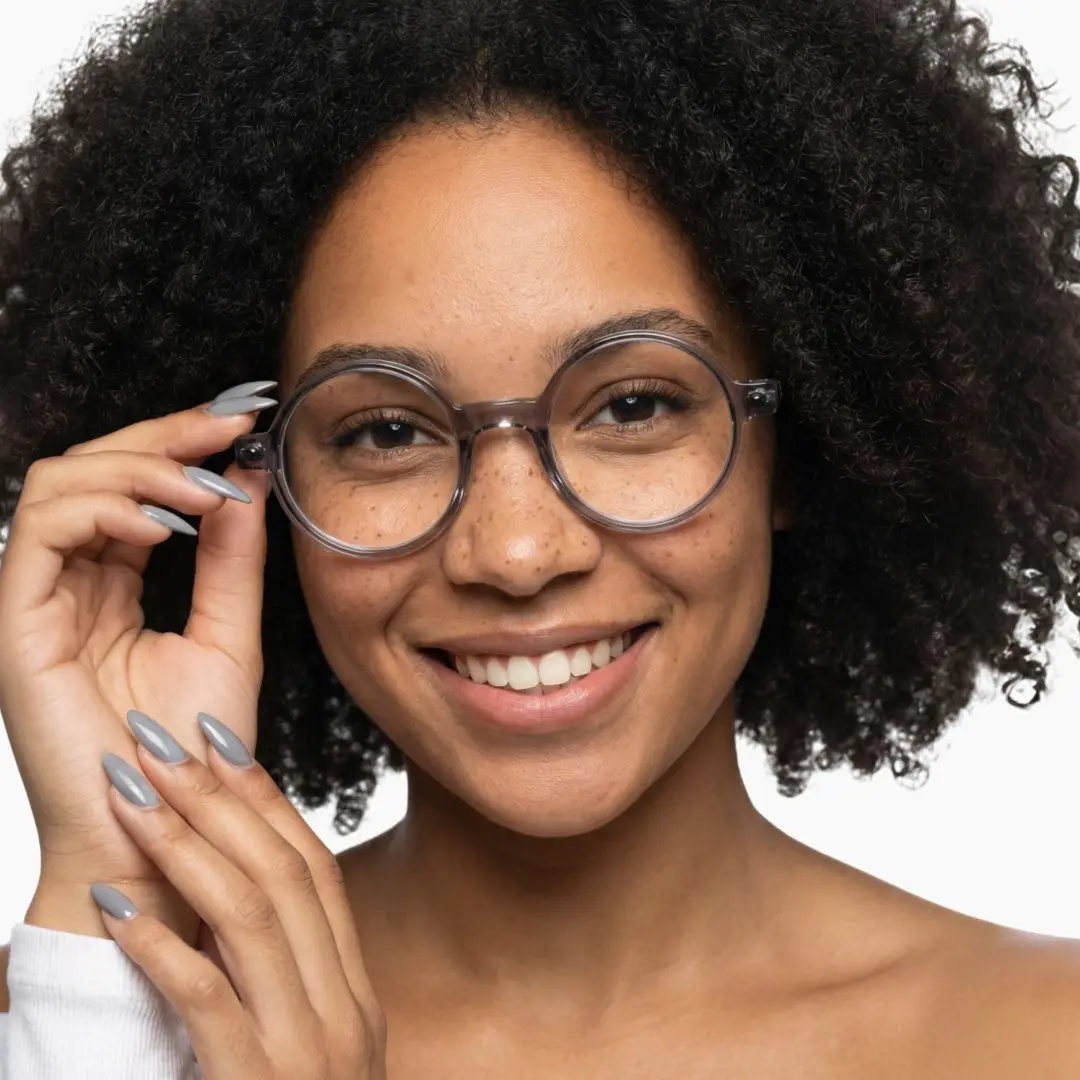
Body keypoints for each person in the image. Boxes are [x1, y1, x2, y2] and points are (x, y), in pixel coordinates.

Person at [2, 0, 1080, 1075]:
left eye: (634, 407)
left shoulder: (1040, 1037)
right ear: (263, 483)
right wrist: (116, 940)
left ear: (798, 449)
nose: (517, 553)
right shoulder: (71, 1022)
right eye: (387, 430)